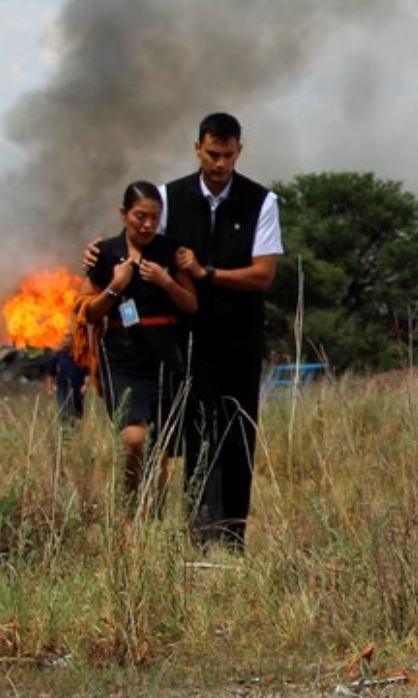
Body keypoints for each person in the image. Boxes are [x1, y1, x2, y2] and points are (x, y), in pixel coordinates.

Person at [83, 112, 283, 548]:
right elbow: (138, 236)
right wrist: (99, 254)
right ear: (197, 149)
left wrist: (206, 273)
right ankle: (197, 536)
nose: (220, 164)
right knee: (195, 435)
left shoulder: (261, 202)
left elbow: (263, 275)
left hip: (240, 338)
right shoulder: (169, 198)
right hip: (186, 341)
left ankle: (232, 538)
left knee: (237, 433)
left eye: (228, 155)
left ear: (239, 152)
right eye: (212, 154)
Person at [79, 180, 198, 503]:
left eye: (154, 217)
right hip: (122, 358)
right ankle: (131, 505)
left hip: (165, 358)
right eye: (140, 216)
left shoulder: (170, 250)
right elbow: (87, 311)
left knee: (160, 448)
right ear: (124, 214)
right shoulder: (104, 253)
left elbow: (191, 304)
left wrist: (166, 281)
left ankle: (152, 514)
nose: (147, 224)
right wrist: (115, 287)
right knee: (133, 438)